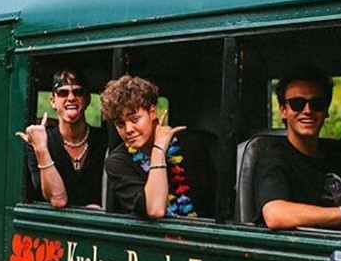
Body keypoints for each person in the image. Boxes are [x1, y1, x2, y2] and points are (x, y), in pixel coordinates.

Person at [253, 65, 341, 230]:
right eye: (297, 103)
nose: (307, 110)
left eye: (317, 103)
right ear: (283, 111)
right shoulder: (274, 158)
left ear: (326, 111)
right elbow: (275, 215)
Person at [101, 75, 214, 219]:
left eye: (134, 119)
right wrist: (158, 151)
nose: (128, 129)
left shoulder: (191, 145)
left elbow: (213, 202)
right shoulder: (117, 162)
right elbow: (155, 209)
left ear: (152, 112)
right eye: (120, 124)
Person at [18, 69, 108, 208]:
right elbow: (57, 200)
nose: (71, 98)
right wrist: (41, 148)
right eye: (63, 93)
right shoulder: (38, 144)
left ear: (87, 99)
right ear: (53, 101)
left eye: (78, 92)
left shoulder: (104, 139)